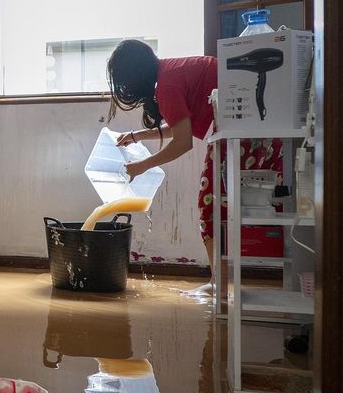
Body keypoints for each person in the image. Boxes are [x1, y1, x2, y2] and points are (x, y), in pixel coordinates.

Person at [106, 40, 283, 295]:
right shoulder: (173, 71)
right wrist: (137, 136)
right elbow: (182, 127)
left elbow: (182, 142)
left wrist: (142, 166)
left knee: (210, 203)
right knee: (246, 204)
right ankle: (225, 280)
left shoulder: (167, 85)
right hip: (264, 131)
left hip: (242, 133)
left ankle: (219, 284)